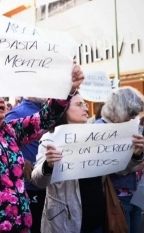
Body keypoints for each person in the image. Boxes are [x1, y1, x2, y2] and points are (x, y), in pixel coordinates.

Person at [0, 46, 85, 232]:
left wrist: (68, 88)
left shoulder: (11, 131)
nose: (1, 100)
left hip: (19, 226)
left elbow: (45, 117)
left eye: (2, 97)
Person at [32, 91, 144, 233]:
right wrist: (48, 165)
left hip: (98, 219)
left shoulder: (97, 135)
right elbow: (38, 181)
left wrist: (136, 154)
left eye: (85, 104)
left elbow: (119, 168)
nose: (85, 108)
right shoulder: (51, 139)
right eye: (79, 104)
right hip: (65, 221)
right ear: (63, 109)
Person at [95, 86, 144, 233]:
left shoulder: (126, 126)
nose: (132, 117)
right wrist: (137, 161)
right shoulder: (100, 129)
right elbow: (110, 167)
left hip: (133, 194)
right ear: (119, 109)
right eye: (130, 113)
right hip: (115, 196)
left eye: (134, 114)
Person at [5, 97, 47, 233]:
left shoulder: (45, 111)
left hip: (48, 184)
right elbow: (2, 141)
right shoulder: (17, 113)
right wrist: (21, 159)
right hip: (31, 188)